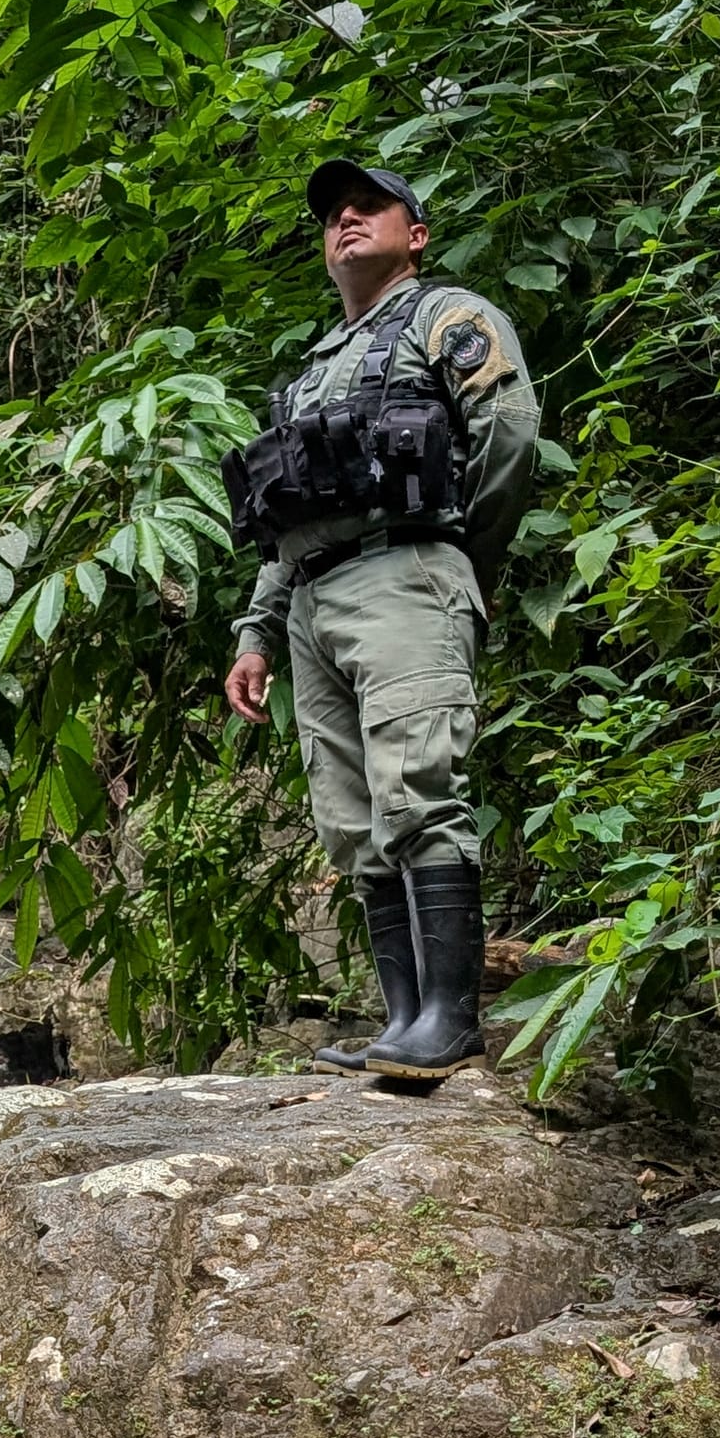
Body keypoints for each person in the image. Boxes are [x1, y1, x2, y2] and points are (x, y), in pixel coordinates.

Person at [221, 160, 540, 1081]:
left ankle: (449, 1021)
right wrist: (255, 632)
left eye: (369, 206)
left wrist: (460, 557)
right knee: (351, 817)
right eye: (333, 214)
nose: (347, 219)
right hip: (312, 596)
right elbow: (287, 517)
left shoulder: (447, 317)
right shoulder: (315, 371)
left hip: (405, 572)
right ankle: (402, 1019)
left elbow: (509, 432)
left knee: (418, 787)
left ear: (416, 234)